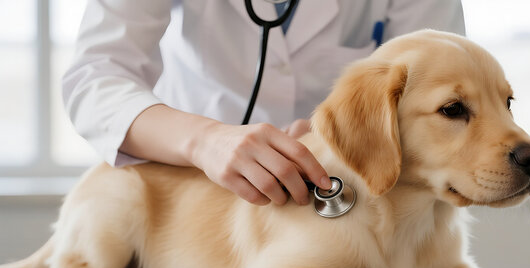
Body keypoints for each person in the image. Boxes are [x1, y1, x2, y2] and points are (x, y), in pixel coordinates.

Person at [63, 0, 465, 206]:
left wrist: (341, 131)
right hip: (192, 196)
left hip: (346, 188)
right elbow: (97, 77)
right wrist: (205, 141)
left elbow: (443, 75)